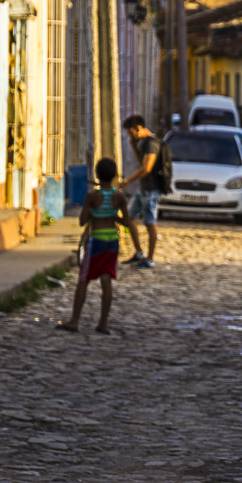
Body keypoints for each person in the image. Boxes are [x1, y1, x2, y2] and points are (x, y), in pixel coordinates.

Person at [59, 157, 134, 334]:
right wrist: (113, 216)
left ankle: (75, 321)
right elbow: (127, 222)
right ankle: (103, 323)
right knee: (106, 280)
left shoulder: (92, 196)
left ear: (97, 175)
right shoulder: (119, 196)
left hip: (96, 241)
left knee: (84, 279)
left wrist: (94, 213)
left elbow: (82, 221)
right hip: (112, 242)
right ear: (114, 175)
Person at [120, 114, 170, 269]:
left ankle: (150, 259)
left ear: (138, 128)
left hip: (152, 189)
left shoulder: (152, 143)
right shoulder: (143, 143)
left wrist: (127, 181)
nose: (130, 135)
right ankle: (139, 252)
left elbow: (146, 168)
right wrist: (133, 144)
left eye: (130, 132)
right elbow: (140, 162)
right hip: (143, 188)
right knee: (128, 217)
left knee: (150, 224)